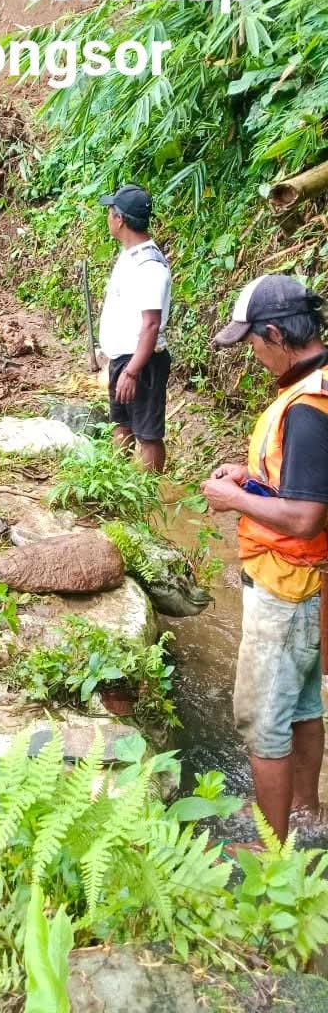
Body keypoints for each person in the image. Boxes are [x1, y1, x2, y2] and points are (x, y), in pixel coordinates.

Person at [202, 274, 328, 843]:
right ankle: (306, 810)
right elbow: (302, 486)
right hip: (308, 588)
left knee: (262, 721)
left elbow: (305, 517)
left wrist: (232, 499)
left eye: (252, 341)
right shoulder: (317, 390)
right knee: (302, 702)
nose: (252, 354)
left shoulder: (306, 409)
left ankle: (271, 846)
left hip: (287, 588)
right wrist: (252, 480)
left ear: (275, 334)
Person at [97, 184, 172, 473]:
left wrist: (132, 370)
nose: (108, 217)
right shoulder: (130, 255)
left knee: (148, 433)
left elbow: (151, 324)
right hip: (125, 359)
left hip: (142, 362)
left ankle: (149, 493)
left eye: (109, 212)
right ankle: (116, 482)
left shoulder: (149, 265)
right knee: (122, 422)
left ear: (120, 219)